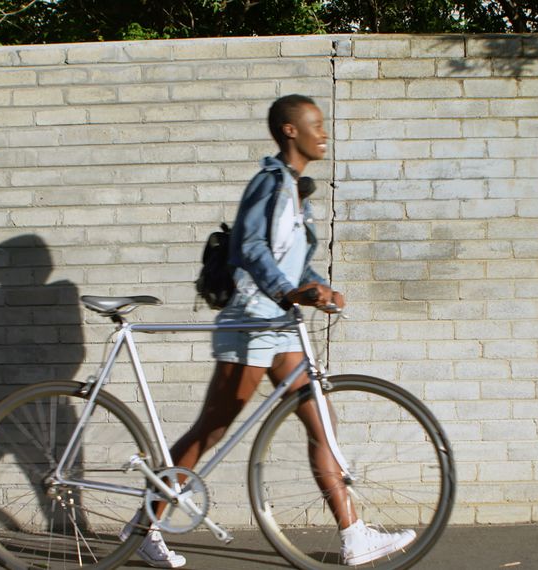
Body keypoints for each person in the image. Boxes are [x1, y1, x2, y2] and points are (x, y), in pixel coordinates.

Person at [127, 95, 414, 568]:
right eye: (315, 125)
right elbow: (251, 247)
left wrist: (322, 289)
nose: (324, 133)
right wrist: (288, 292)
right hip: (251, 325)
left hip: (278, 327)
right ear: (289, 131)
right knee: (210, 431)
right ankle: (142, 527)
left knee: (322, 423)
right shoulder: (268, 183)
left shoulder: (295, 192)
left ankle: (355, 535)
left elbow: (294, 263)